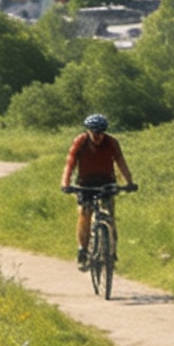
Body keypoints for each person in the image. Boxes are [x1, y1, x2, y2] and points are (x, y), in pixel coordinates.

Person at [60, 114, 134, 270]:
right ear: (88, 131)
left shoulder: (111, 142)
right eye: (95, 133)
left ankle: (111, 252)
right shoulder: (80, 142)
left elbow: (120, 162)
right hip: (85, 183)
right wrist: (65, 183)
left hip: (106, 182)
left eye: (101, 132)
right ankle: (83, 249)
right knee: (85, 213)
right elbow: (70, 164)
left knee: (110, 216)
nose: (98, 136)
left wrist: (129, 182)